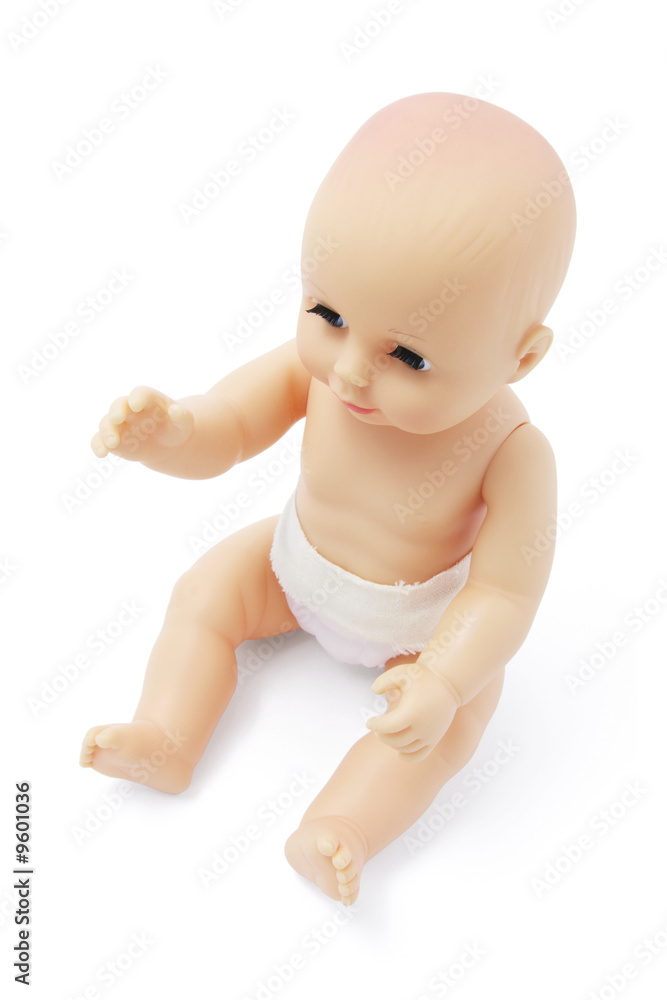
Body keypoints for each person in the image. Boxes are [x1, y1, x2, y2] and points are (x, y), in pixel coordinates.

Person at [80, 92, 576, 905]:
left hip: (423, 628)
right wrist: (170, 435)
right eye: (329, 313)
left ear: (519, 357)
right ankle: (167, 736)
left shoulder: (513, 453)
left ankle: (342, 827)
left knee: (446, 730)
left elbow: (502, 594)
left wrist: (445, 679)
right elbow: (228, 426)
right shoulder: (316, 372)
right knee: (205, 593)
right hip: (294, 568)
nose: (348, 371)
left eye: (408, 357)